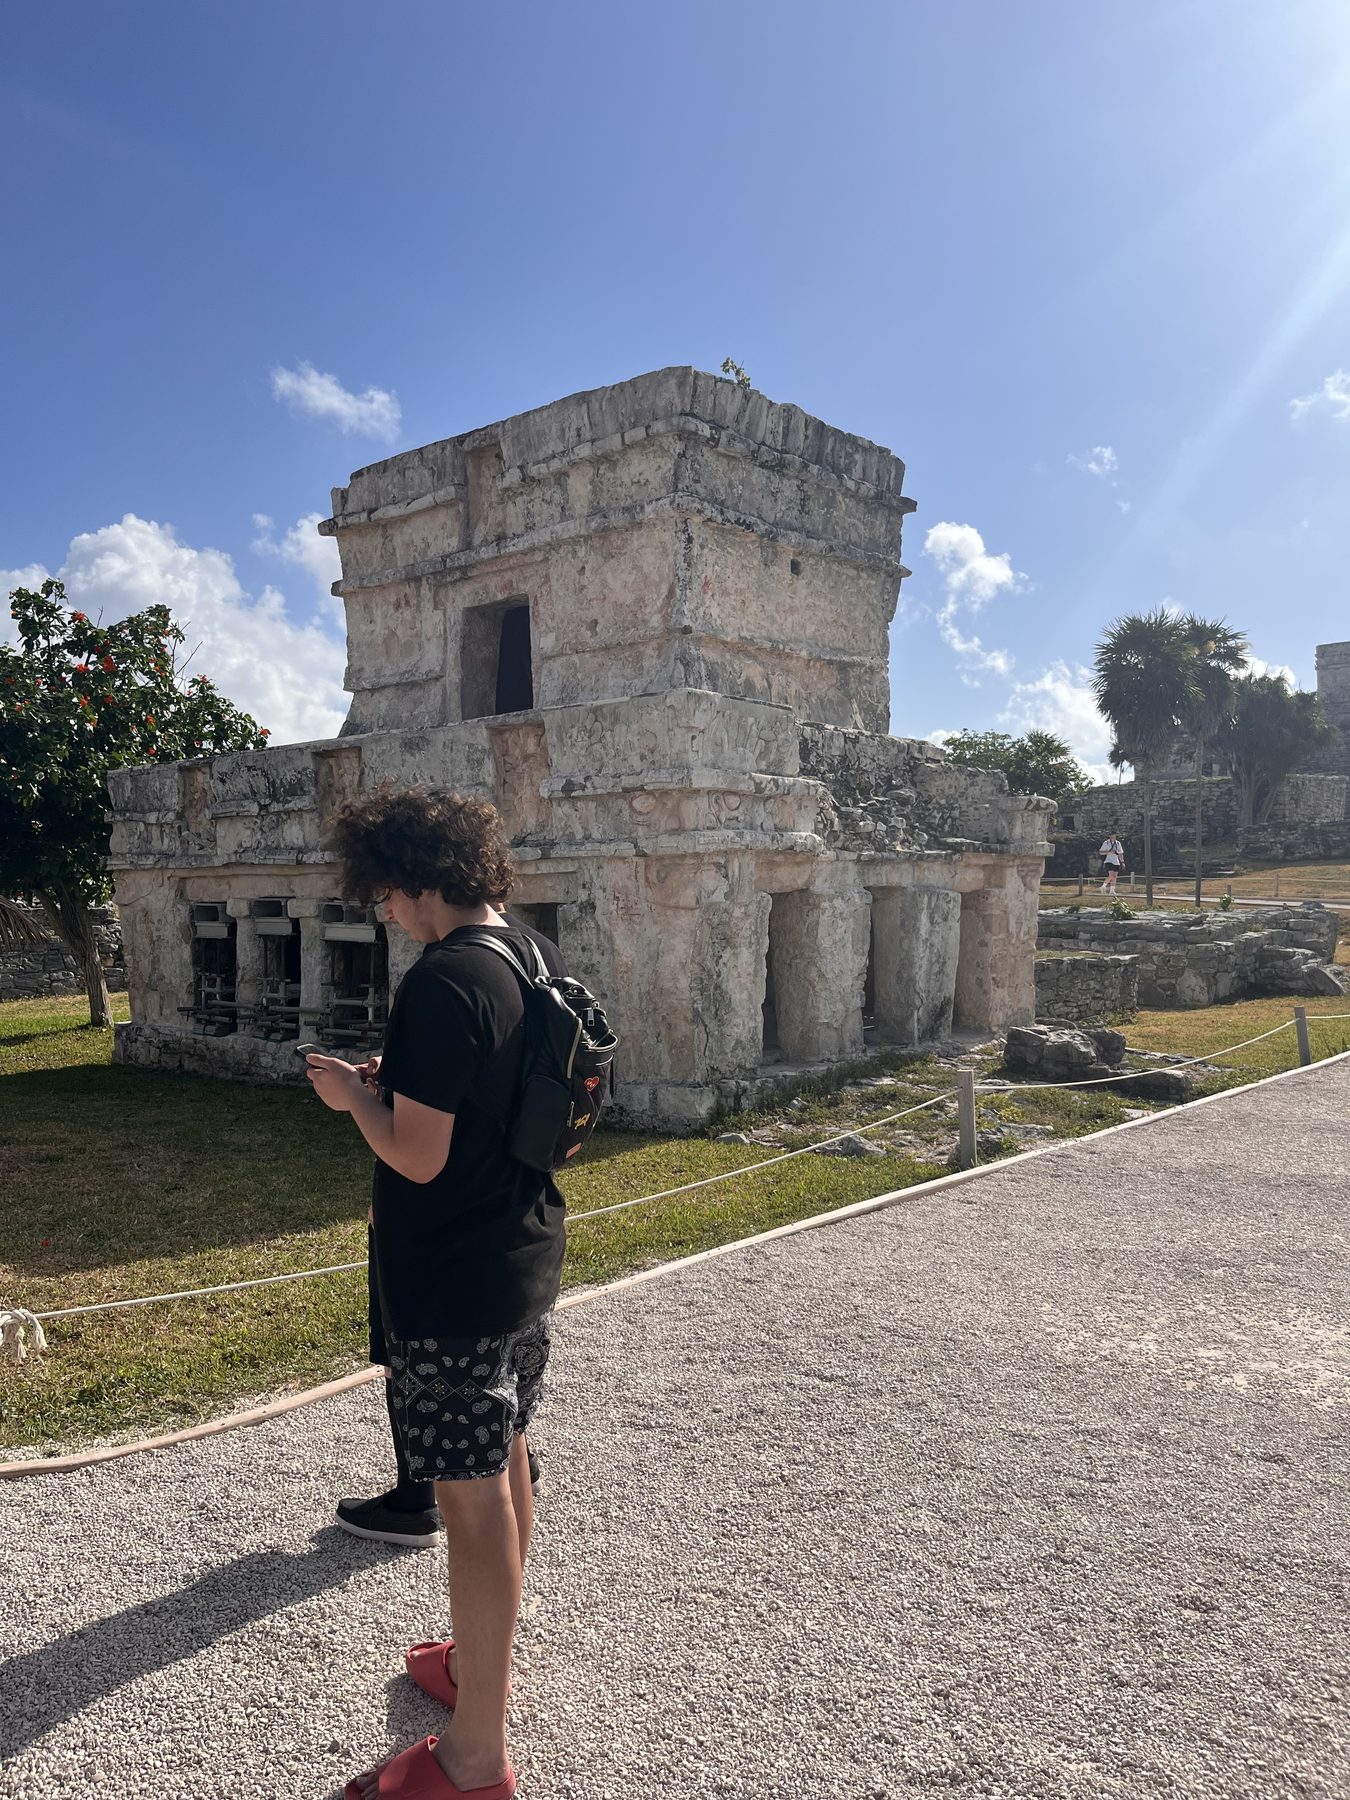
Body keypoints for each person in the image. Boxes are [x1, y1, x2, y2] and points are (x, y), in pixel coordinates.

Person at [306, 785, 566, 1800]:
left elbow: (415, 1155)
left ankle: (473, 1755)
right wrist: (396, 1082)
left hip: (451, 1274)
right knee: (506, 1463)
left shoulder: (441, 979)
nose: (381, 909)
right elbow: (494, 1094)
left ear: (419, 878)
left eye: (384, 890)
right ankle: (478, 1668)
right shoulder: (530, 954)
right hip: (522, 1252)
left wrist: (353, 1098)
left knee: (468, 1502)